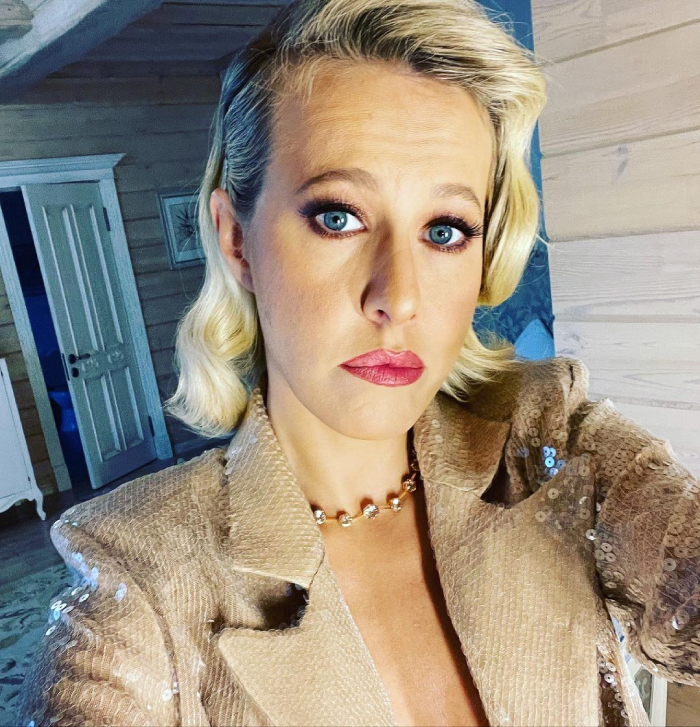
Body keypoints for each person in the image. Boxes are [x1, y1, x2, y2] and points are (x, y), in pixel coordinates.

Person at [16, 0, 700, 725]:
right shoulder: (139, 585)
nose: (397, 298)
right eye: (337, 216)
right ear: (236, 241)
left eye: (445, 229)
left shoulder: (551, 445)